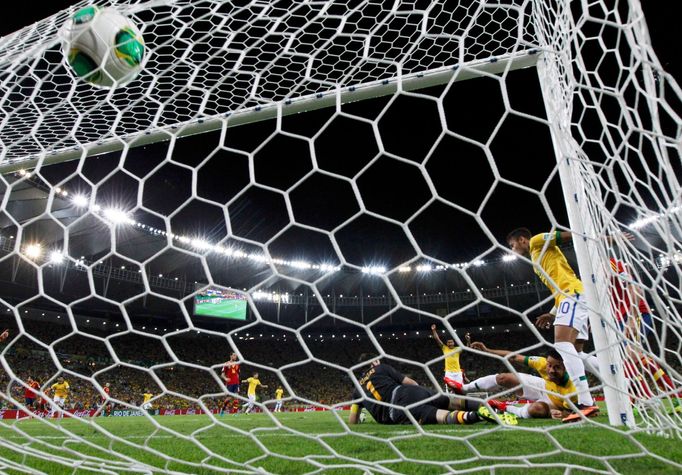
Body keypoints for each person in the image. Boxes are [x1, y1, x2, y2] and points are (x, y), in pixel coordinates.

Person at [506, 228, 598, 421]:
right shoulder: (535, 258)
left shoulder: (537, 241)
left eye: (512, 246)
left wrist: (601, 238)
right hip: (569, 297)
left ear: (522, 240)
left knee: (562, 345)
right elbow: (558, 283)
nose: (512, 250)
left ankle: (586, 402)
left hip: (571, 295)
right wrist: (552, 312)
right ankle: (619, 380)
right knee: (577, 353)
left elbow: (566, 235)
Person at [348, 358, 517, 426]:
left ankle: (478, 415)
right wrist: (421, 391)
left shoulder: (357, 389)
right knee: (452, 401)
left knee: (441, 416)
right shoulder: (381, 368)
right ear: (373, 363)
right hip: (409, 391)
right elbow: (409, 382)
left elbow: (353, 420)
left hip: (398, 409)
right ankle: (497, 407)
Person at [609, 257, 681, 413]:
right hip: (619, 319)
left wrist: (632, 318)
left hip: (636, 314)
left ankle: (644, 399)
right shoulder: (591, 275)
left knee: (629, 356)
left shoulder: (613, 264)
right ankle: (676, 397)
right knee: (636, 358)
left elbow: (635, 289)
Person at [463, 341, 593, 422]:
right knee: (504, 378)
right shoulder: (542, 363)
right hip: (543, 386)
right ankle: (464, 387)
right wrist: (488, 350)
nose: (551, 370)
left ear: (567, 368)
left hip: (555, 402)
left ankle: (505, 408)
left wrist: (558, 413)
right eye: (549, 365)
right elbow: (514, 356)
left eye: (557, 367)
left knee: (536, 409)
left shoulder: (573, 389)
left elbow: (571, 413)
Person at [430, 324, 464, 392]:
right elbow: (437, 339)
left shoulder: (458, 349)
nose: (450, 344)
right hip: (448, 372)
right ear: (447, 343)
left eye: (451, 342)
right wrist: (433, 330)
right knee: (449, 389)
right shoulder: (445, 348)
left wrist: (468, 340)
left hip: (458, 372)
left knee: (460, 389)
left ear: (454, 342)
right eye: (448, 342)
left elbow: (468, 347)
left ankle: (461, 400)